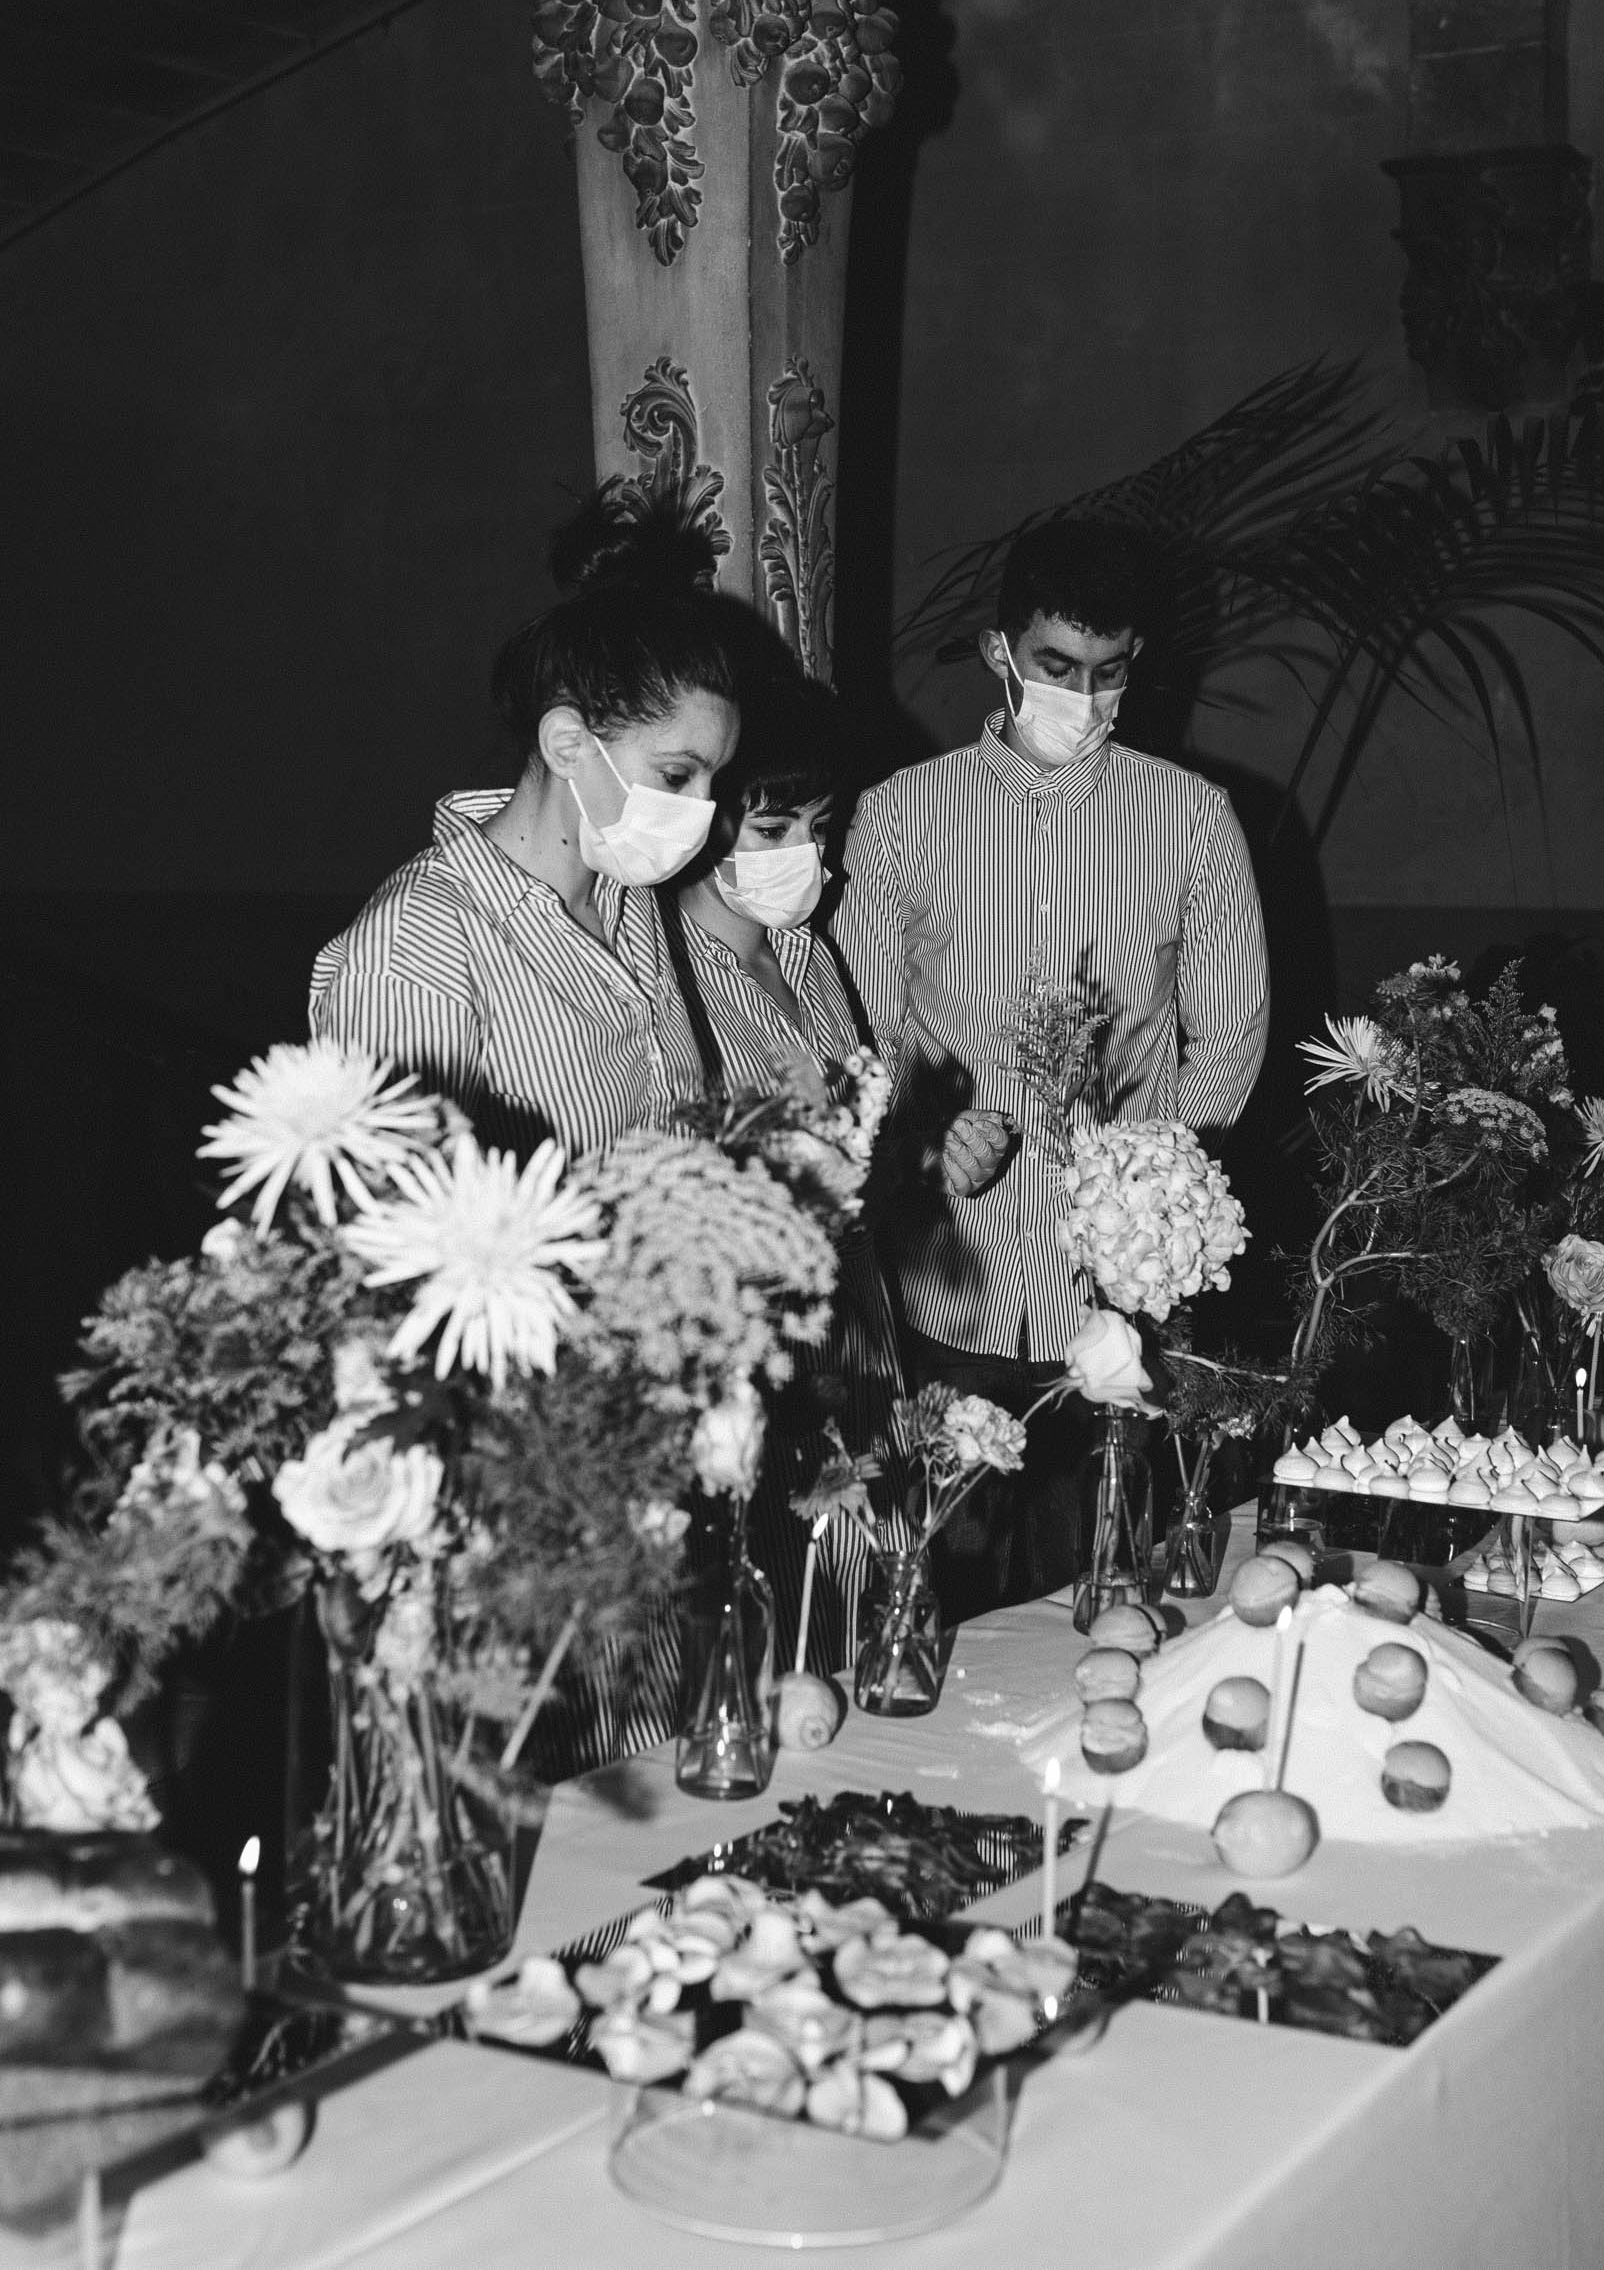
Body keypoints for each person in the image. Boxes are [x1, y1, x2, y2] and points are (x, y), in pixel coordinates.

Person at [832, 516, 1269, 1613]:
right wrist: (924, 1133)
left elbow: (1228, 1035)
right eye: (1056, 666)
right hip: (954, 1278)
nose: (1082, 693)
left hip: (1121, 1297)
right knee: (946, 1595)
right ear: (1000, 652)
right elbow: (858, 1032)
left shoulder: (1191, 819)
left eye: (1108, 671)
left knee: (1103, 1594)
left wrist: (1151, 1189)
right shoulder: (900, 814)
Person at [309, 523, 738, 1160]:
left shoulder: (626, 894)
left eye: (714, 780)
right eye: (677, 775)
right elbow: (392, 1204)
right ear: (567, 744)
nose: (702, 813)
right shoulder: (412, 948)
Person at [659, 670, 909, 1670]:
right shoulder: (668, 972)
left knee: (864, 1599)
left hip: (852, 1322)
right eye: (772, 829)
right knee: (766, 1614)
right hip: (750, 1338)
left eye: (819, 825)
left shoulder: (808, 953)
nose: (804, 853)